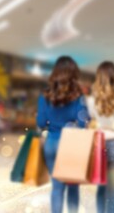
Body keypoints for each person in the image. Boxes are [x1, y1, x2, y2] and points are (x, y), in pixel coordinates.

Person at [37, 56, 90, 213]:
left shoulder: (45, 95)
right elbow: (83, 123)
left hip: (51, 143)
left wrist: (53, 121)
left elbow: (41, 123)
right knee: (73, 187)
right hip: (71, 145)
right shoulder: (78, 96)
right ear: (74, 74)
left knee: (57, 188)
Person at [86, 62, 114, 213]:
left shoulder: (91, 101)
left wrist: (102, 127)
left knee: (101, 189)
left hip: (99, 146)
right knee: (113, 193)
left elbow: (90, 124)